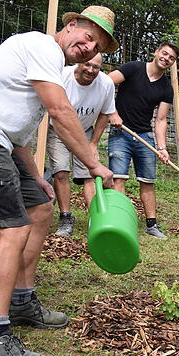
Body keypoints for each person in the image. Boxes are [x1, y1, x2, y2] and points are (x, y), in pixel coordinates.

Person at [0, 6, 118, 356]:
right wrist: (94, 164)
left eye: (96, 44)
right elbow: (61, 113)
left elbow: (19, 133)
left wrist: (35, 177)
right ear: (70, 25)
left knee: (40, 205)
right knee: (11, 226)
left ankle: (20, 300)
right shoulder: (40, 46)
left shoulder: (52, 66)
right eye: (87, 35)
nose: (88, 46)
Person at [107, 42, 178, 239]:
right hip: (120, 133)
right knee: (118, 178)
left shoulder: (166, 88)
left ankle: (152, 225)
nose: (166, 58)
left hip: (144, 136)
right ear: (156, 52)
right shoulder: (133, 68)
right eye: (164, 53)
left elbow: (161, 120)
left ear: (172, 63)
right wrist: (111, 112)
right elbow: (105, 83)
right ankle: (119, 223)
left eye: (171, 57)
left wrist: (162, 147)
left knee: (147, 181)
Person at [47, 53, 117, 236]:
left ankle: (96, 219)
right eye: (87, 64)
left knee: (90, 175)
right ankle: (65, 218)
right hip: (58, 130)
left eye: (96, 67)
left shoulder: (106, 84)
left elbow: (105, 113)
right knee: (61, 171)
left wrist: (93, 143)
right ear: (79, 62)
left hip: (84, 131)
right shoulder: (62, 75)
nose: (91, 70)